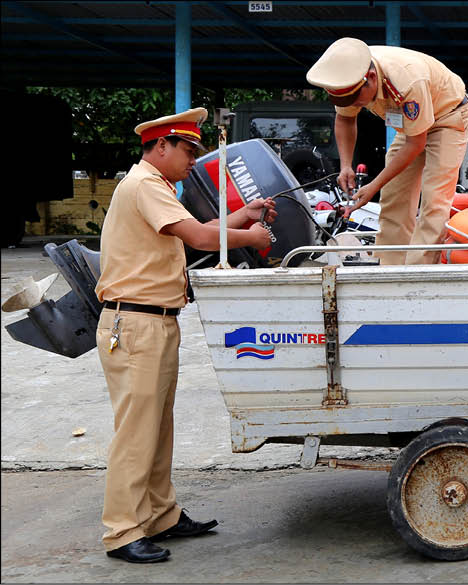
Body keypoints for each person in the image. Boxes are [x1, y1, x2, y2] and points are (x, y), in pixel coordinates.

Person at [94, 107, 277, 563]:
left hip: (153, 321)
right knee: (137, 433)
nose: (194, 159)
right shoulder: (144, 185)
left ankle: (160, 515)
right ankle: (122, 531)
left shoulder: (155, 188)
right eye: (188, 150)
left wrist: (243, 215)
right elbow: (198, 237)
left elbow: (199, 231)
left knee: (157, 428)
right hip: (135, 323)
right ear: (160, 147)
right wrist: (252, 237)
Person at [306, 37, 468, 265]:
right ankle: (389, 270)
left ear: (372, 79)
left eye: (356, 100)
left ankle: (417, 276)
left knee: (434, 201)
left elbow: (416, 145)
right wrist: (345, 166)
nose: (355, 106)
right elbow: (345, 120)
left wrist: (374, 185)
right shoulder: (348, 75)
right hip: (410, 127)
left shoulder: (407, 81)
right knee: (394, 198)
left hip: (448, 117)